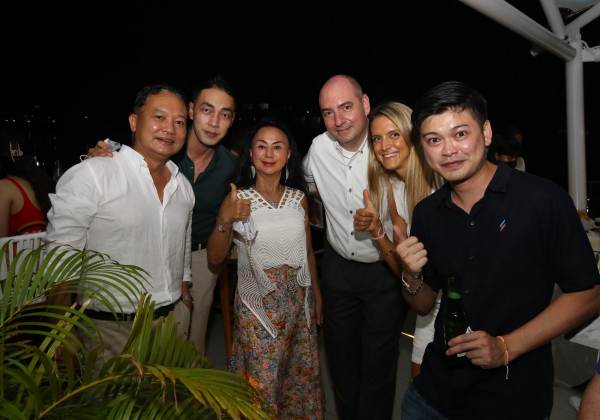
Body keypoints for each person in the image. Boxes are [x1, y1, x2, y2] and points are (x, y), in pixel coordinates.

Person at [395, 81, 600, 419]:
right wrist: (410, 274)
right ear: (423, 149)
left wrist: (505, 347)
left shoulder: (543, 200)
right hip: (431, 397)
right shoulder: (428, 213)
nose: (449, 150)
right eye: (434, 140)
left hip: (513, 399)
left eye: (460, 134)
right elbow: (423, 303)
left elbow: (588, 294)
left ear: (486, 133)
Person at [87, 75, 238, 354]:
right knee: (141, 341)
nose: (214, 122)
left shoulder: (230, 164)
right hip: (150, 248)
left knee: (192, 344)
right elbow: (126, 160)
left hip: (201, 256)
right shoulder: (164, 146)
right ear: (191, 110)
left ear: (232, 120)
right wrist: (103, 155)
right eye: (207, 110)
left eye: (224, 114)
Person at [47, 84, 195, 362]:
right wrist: (60, 329)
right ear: (134, 121)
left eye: (180, 122)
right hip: (110, 329)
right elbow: (60, 255)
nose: (170, 129)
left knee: (168, 392)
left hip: (172, 324)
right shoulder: (93, 174)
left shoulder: (183, 185)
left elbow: (182, 245)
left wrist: (185, 296)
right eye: (159, 117)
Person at [303, 75, 407, 419]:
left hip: (384, 271)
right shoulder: (318, 149)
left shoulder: (389, 149)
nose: (338, 120)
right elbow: (310, 190)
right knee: (340, 360)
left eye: (346, 107)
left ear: (365, 104)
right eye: (328, 112)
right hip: (338, 271)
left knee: (379, 364)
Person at [207, 117, 323, 418]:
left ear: (288, 154)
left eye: (277, 147)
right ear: (251, 153)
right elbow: (215, 259)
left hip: (298, 303)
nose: (269, 154)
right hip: (257, 306)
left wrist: (316, 297)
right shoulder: (238, 199)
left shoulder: (299, 199)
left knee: (297, 378)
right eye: (261, 146)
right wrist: (225, 219)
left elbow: (308, 253)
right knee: (261, 384)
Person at [352, 101, 442, 378]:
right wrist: (377, 230)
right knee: (420, 376)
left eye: (394, 134)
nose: (384, 146)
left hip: (462, 299)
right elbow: (402, 272)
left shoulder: (439, 181)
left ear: (411, 136)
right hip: (426, 300)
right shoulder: (392, 188)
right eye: (377, 138)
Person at [0, 126, 51, 237]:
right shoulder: (39, 182)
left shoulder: (4, 187)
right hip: (45, 248)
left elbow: (1, 241)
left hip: (17, 250)